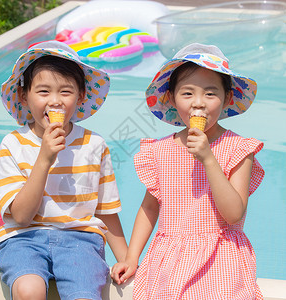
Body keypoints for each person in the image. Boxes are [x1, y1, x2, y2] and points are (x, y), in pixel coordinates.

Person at [111, 43, 265, 299]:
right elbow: (149, 208)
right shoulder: (160, 151)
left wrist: (208, 159)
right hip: (169, 257)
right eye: (187, 94)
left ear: (227, 98)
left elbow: (234, 215)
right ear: (171, 98)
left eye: (210, 94)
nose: (198, 104)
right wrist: (131, 257)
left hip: (220, 257)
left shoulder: (238, 148)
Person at [0, 41, 127, 300]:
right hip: (23, 238)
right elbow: (20, 216)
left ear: (81, 96)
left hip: (81, 240)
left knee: (84, 296)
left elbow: (106, 212)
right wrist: (44, 159)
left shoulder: (94, 145)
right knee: (28, 290)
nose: (55, 101)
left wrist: (127, 259)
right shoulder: (13, 144)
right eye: (43, 91)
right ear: (24, 96)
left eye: (65, 92)